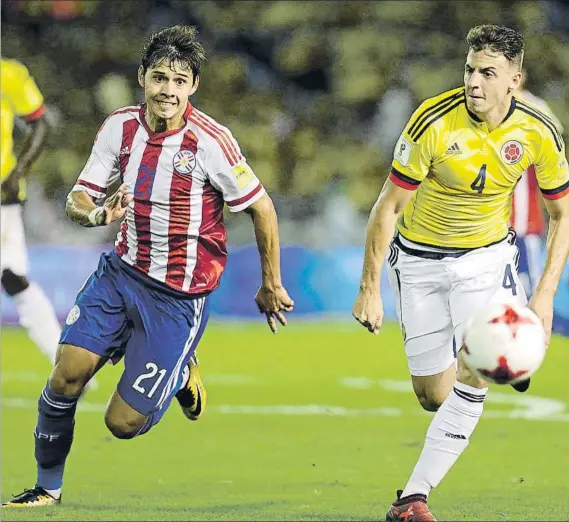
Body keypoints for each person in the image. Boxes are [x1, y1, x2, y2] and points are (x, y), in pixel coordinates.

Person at [2, 25, 294, 508]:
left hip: (177, 297)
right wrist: (96, 214)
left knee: (122, 424)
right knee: (65, 376)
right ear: (142, 77)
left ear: (193, 86)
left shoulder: (212, 142)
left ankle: (180, 374)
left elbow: (262, 207)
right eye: (160, 78)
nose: (168, 90)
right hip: (119, 275)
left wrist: (270, 283)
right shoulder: (119, 127)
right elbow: (79, 196)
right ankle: (46, 489)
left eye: (180, 81)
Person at [352, 25, 569, 521]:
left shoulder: (538, 129)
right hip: (420, 261)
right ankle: (492, 358)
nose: (474, 81)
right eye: (470, 69)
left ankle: (412, 498)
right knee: (433, 395)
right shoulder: (433, 121)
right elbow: (387, 208)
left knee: (475, 378)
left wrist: (544, 295)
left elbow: (562, 212)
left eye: (487, 73)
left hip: (486, 261)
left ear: (514, 78)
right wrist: (369, 290)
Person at [1, 57, 62, 366]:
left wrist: (19, 171)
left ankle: (62, 359)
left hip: (2, 196)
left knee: (13, 278)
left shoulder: (7, 74)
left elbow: (40, 121)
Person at [511, 69, 564, 296]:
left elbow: (556, 131)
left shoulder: (533, 103)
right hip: (494, 214)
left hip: (527, 214)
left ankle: (534, 321)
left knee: (531, 274)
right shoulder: (494, 104)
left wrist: (526, 104)